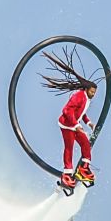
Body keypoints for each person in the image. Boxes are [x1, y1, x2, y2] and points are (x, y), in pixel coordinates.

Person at [40, 49, 101, 192]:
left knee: (85, 143)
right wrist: (75, 125)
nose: (94, 94)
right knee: (70, 147)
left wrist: (88, 123)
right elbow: (67, 111)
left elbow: (81, 113)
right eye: (92, 91)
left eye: (95, 92)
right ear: (87, 89)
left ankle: (84, 168)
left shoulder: (86, 99)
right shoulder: (79, 96)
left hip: (75, 124)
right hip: (67, 125)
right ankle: (67, 173)